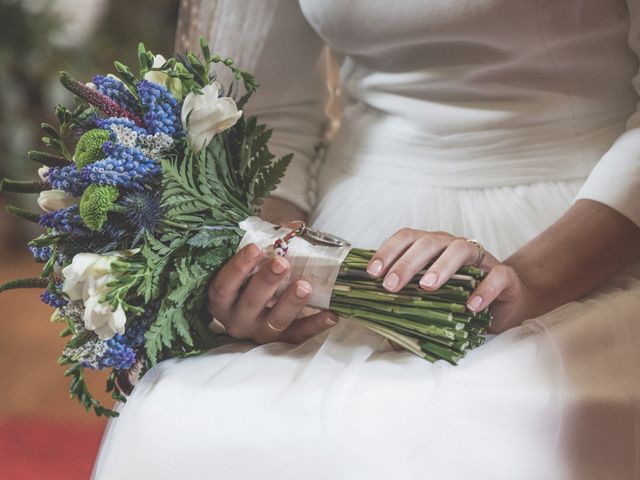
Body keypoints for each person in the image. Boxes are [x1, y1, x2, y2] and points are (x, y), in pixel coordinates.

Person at [93, 1, 640, 478]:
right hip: (351, 231)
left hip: (586, 224)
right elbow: (272, 117)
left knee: (493, 420)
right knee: (188, 419)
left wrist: (533, 279)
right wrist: (269, 262)